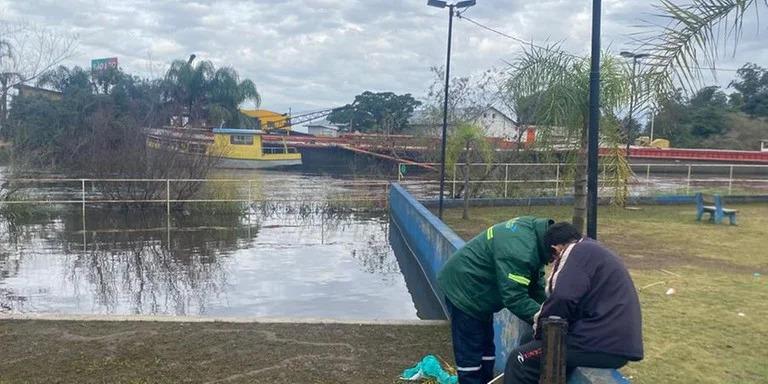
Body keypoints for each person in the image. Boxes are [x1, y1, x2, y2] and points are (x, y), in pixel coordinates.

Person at [504, 222, 644, 384]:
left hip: (601, 344)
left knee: (520, 359)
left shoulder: (577, 252)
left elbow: (562, 297)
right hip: (606, 340)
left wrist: (540, 328)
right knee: (529, 339)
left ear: (556, 249)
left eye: (554, 259)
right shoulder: (591, 250)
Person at [437, 216, 555, 384]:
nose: (554, 261)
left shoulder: (534, 238)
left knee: (486, 348)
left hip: (480, 293)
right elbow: (515, 297)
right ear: (553, 246)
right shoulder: (520, 250)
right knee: (470, 352)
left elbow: (535, 284)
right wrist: (543, 319)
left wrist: (549, 310)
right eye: (556, 256)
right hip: (464, 291)